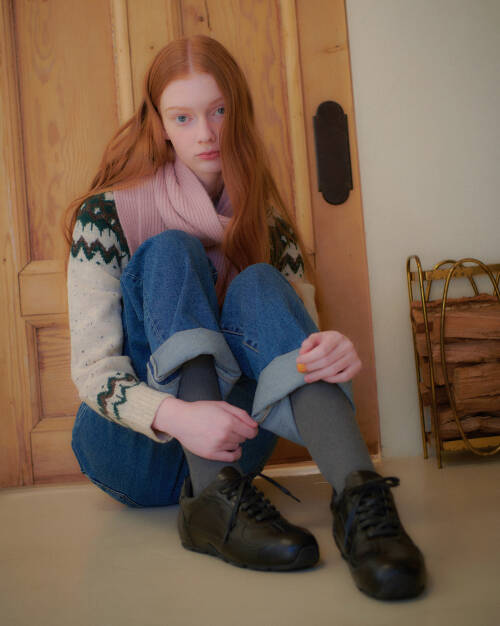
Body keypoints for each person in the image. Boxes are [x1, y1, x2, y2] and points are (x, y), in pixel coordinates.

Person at [64, 34, 426, 600]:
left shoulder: (266, 219)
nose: (205, 133)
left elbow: (298, 349)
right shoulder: (105, 216)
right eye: (183, 117)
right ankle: (214, 501)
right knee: (171, 250)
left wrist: (327, 349)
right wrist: (182, 417)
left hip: (240, 446)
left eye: (218, 111)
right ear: (160, 124)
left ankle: (361, 502)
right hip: (130, 453)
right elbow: (91, 370)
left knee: (259, 281)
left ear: (240, 110)